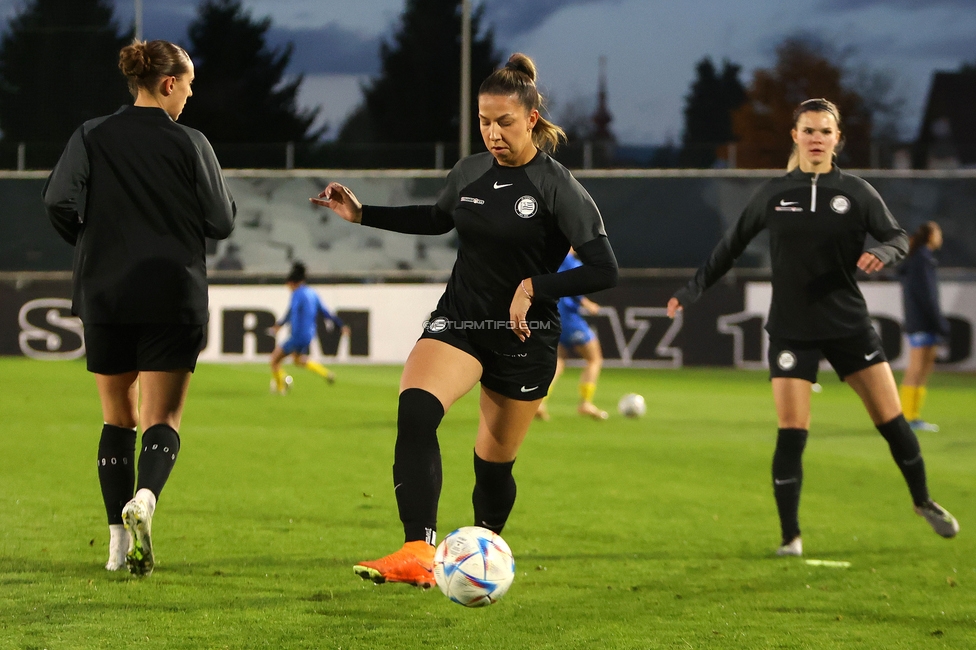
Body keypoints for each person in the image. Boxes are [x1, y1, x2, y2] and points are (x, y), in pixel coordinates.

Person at [312, 53, 617, 587]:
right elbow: (435, 219)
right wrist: (363, 214)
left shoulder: (557, 187)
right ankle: (417, 549)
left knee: (493, 467)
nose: (492, 132)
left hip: (526, 338)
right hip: (461, 321)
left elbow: (604, 269)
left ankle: (481, 558)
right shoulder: (470, 172)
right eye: (483, 120)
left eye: (503, 121)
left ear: (532, 119)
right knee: (416, 410)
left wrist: (534, 286)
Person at [667, 98, 958, 557]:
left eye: (825, 131)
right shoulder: (772, 194)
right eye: (809, 130)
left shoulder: (857, 193)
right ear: (796, 136)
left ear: (837, 139)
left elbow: (898, 237)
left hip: (848, 326)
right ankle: (791, 538)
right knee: (792, 430)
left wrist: (882, 253)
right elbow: (728, 249)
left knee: (891, 421)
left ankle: (923, 501)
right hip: (791, 329)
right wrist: (689, 292)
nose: (817, 138)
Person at [42, 40, 236, 576]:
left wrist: (90, 243)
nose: (191, 94)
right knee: (163, 417)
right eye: (189, 84)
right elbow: (221, 222)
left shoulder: (91, 134)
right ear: (168, 83)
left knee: (116, 418)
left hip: (106, 293)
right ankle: (145, 497)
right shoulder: (191, 142)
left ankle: (114, 549)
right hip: (172, 293)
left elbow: (57, 200)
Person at [536, 249, 608, 421]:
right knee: (594, 358)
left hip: (554, 314)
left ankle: (539, 401)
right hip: (569, 317)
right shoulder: (567, 260)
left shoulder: (549, 257)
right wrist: (587, 303)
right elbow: (572, 286)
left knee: (559, 361)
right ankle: (585, 403)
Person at [899, 221, 950, 433]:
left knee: (923, 370)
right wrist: (939, 323)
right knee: (916, 369)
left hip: (922, 321)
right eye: (938, 232)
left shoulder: (921, 259)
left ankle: (913, 415)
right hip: (922, 322)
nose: (941, 237)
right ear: (930, 236)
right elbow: (927, 296)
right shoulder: (922, 260)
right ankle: (906, 417)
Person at [268, 261, 350, 393]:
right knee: (298, 359)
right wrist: (341, 325)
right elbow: (325, 313)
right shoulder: (312, 293)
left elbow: (291, 311)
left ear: (292, 282)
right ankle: (326, 373)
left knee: (274, 360)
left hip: (297, 335)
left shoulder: (297, 294)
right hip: (308, 335)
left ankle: (280, 388)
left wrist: (279, 325)